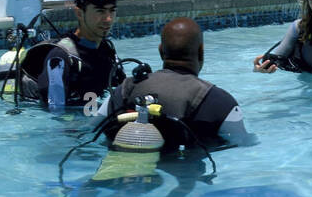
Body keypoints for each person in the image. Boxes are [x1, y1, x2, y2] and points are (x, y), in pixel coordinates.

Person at [103, 17, 252, 150]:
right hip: (186, 177)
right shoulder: (221, 103)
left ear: (161, 52)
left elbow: (91, 129)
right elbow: (243, 144)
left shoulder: (125, 89)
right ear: (200, 52)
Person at [17, 0, 125, 109]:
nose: (108, 19)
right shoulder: (61, 57)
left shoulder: (107, 51)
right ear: (79, 13)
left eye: (112, 11)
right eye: (100, 11)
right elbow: (55, 112)